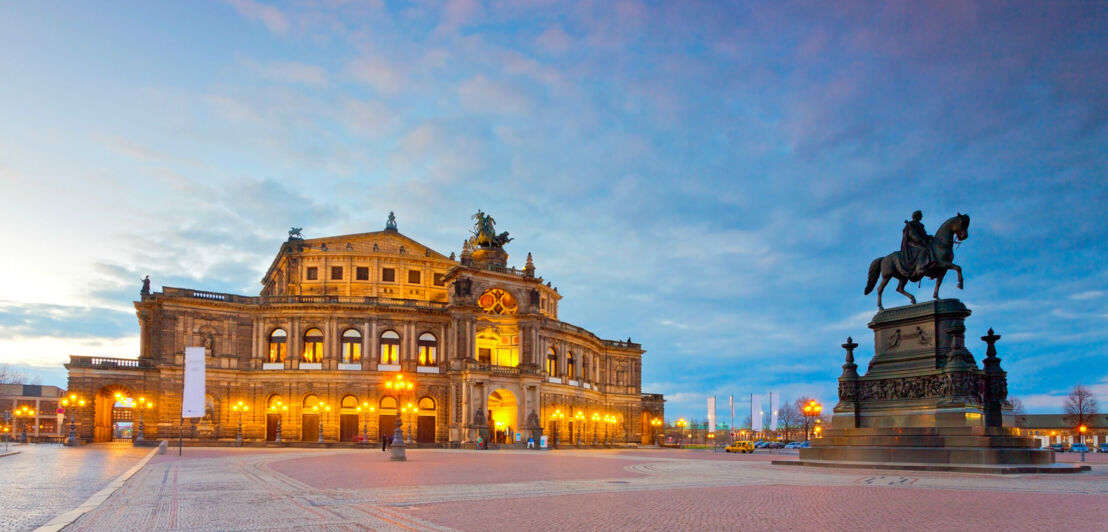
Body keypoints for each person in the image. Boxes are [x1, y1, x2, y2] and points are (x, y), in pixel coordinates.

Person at [900, 210, 935, 281]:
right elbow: (911, 234)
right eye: (920, 215)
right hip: (912, 243)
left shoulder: (920, 225)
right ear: (916, 216)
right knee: (924, 250)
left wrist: (928, 237)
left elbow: (923, 235)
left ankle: (932, 267)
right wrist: (919, 240)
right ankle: (920, 267)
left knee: (932, 248)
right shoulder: (911, 224)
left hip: (921, 242)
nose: (921, 217)